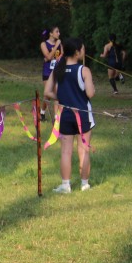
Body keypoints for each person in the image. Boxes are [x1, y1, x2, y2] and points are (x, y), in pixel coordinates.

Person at [44, 37, 95, 193]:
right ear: (77, 52)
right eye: (83, 48)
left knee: (66, 151)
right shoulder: (84, 70)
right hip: (83, 115)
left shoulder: (58, 69)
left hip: (65, 115)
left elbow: (47, 92)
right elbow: (90, 93)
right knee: (83, 149)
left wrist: (61, 97)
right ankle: (84, 184)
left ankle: (66, 185)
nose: (84, 51)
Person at [40, 26, 63, 117]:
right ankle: (42, 112)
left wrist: (58, 58)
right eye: (57, 31)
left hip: (57, 71)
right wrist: (56, 46)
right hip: (47, 72)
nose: (59, 33)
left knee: (56, 93)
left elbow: (62, 54)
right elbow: (48, 57)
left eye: (59, 31)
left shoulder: (60, 44)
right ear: (51, 33)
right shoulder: (44, 44)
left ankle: (56, 117)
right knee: (47, 95)